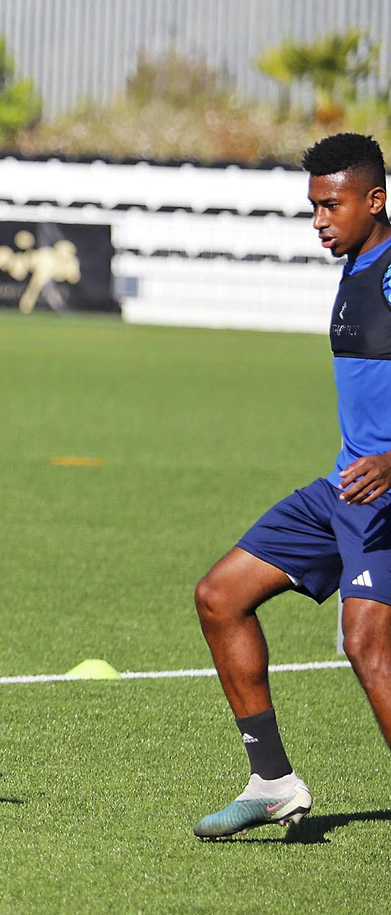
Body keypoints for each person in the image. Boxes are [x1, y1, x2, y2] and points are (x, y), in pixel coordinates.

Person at [193, 132, 391, 839]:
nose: (319, 220)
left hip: (386, 494)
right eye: (313, 206)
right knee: (221, 596)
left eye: (331, 205)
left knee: (367, 643)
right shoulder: (356, 263)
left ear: (375, 200)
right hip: (346, 487)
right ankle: (272, 781)